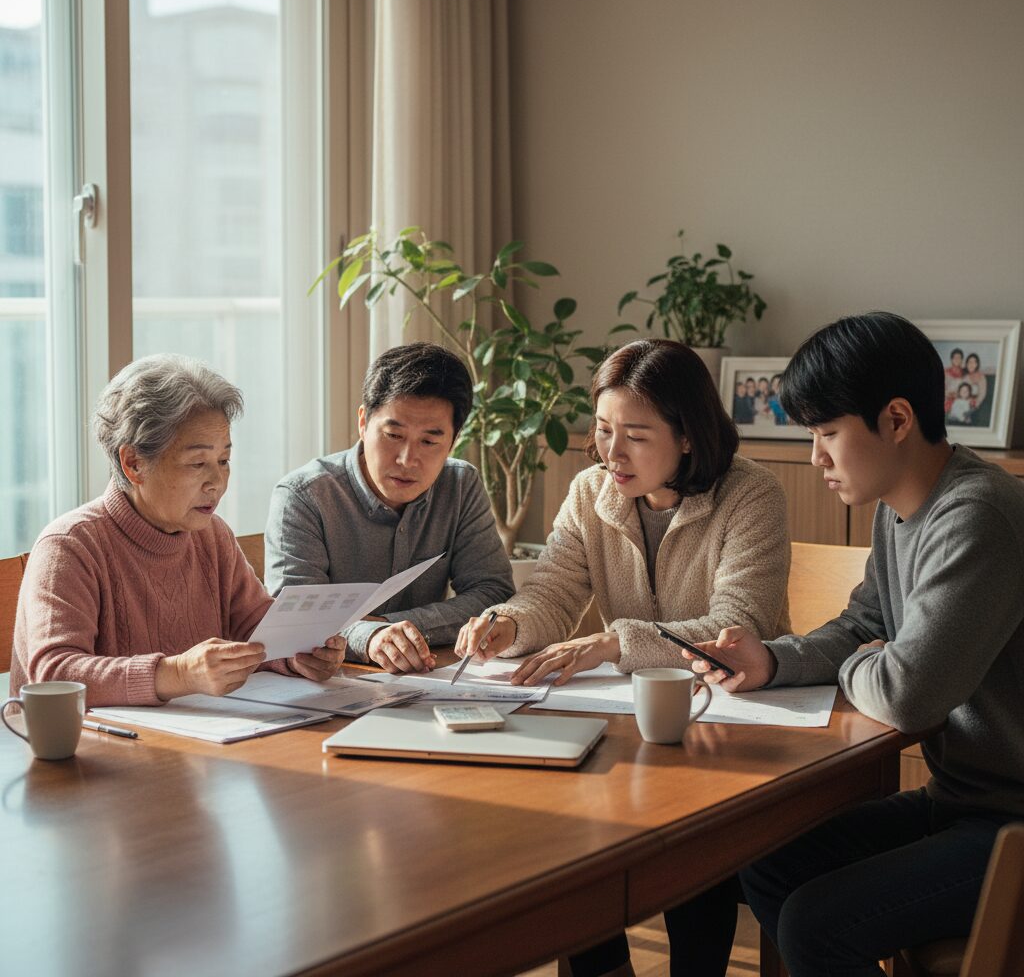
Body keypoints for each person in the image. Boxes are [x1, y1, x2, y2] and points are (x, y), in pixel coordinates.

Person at [679, 312, 1024, 977]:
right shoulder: (898, 511)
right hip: (961, 803)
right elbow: (864, 624)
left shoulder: (976, 514)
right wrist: (773, 658)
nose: (816, 457)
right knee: (766, 858)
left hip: (1010, 822)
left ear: (896, 420)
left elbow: (908, 694)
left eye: (828, 432)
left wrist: (870, 658)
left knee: (815, 924)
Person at [457, 338, 791, 977]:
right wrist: (508, 624)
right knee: (568, 837)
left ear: (687, 437)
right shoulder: (591, 492)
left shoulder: (753, 496)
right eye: (604, 430)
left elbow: (734, 625)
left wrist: (615, 641)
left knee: (697, 845)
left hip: (735, 721)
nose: (610, 453)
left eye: (634, 436)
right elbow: (553, 590)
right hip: (635, 722)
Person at [11, 355, 346, 707]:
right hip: (92, 751)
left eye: (224, 461)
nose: (216, 482)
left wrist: (299, 654)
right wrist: (179, 674)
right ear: (134, 463)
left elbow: (256, 629)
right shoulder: (70, 545)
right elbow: (54, 674)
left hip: (194, 748)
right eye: (197, 463)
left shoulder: (212, 535)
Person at [264, 342, 514, 673]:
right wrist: (368, 637)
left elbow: (492, 595)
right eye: (393, 435)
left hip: (425, 678)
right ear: (363, 422)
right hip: (333, 686)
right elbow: (296, 624)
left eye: (429, 442)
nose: (407, 460)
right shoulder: (303, 497)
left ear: (453, 441)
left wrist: (384, 625)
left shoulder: (460, 485)